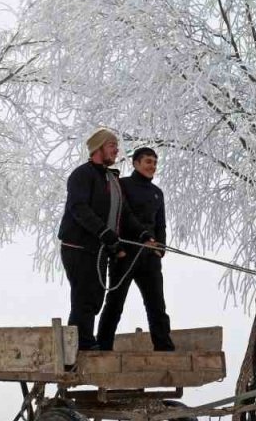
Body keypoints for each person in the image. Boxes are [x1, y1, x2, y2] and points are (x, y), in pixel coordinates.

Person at [58, 128, 157, 351]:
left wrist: (143, 234)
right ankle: (81, 345)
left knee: (95, 296)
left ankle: (84, 341)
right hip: (78, 246)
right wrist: (104, 232)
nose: (116, 149)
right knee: (84, 295)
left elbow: (125, 213)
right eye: (112, 145)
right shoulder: (82, 175)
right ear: (99, 148)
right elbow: (79, 208)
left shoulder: (111, 179)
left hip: (100, 248)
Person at [96, 146, 175, 351]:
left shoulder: (158, 193)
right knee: (115, 302)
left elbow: (161, 225)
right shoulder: (122, 185)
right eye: (148, 161)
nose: (152, 166)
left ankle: (164, 346)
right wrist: (121, 247)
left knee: (157, 304)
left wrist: (161, 248)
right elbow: (123, 216)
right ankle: (103, 346)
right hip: (126, 253)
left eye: (155, 162)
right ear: (136, 163)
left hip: (150, 256)